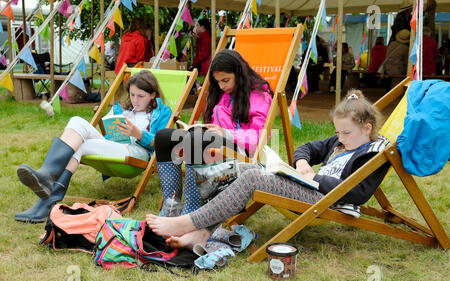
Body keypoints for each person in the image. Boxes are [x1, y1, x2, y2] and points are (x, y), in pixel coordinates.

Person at [146, 89, 391, 250]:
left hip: (324, 198)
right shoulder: (340, 142)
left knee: (253, 176)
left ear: (368, 128)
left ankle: (187, 222)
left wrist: (316, 178)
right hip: (309, 186)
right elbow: (306, 149)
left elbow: (359, 193)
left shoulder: (372, 153)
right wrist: (302, 164)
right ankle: (202, 231)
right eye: (338, 132)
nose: (340, 137)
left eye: (346, 133)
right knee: (240, 168)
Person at [14, 70, 172, 223]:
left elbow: (162, 141)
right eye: (132, 95)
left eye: (141, 96)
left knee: (80, 145)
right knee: (76, 121)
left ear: (153, 95)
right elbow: (108, 132)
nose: (135, 100)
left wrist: (139, 134)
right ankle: (46, 179)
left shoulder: (163, 112)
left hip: (138, 153)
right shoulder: (121, 109)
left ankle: (46, 198)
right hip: (115, 147)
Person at [154, 49, 273, 218]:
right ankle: (170, 206)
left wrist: (226, 133)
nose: (222, 86)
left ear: (240, 74)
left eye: (226, 80)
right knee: (164, 137)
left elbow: (258, 137)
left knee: (195, 141)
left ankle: (192, 211)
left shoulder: (259, 96)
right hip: (217, 147)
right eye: (218, 82)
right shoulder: (225, 94)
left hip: (242, 153)